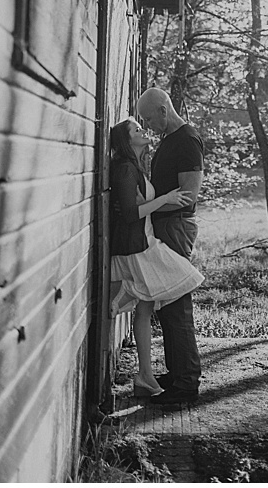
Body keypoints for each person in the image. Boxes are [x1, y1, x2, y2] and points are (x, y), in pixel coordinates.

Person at [106, 119, 202, 399]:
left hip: (145, 241)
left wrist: (154, 200)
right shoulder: (124, 168)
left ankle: (145, 376)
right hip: (140, 249)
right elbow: (129, 214)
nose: (143, 131)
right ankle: (124, 292)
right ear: (126, 141)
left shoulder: (135, 166)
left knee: (146, 310)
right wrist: (165, 199)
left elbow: (137, 206)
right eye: (136, 130)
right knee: (183, 281)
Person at [133, 87, 205, 405]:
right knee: (168, 304)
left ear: (164, 110)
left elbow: (189, 196)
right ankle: (176, 374)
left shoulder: (187, 140)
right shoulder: (169, 140)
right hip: (165, 225)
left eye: (148, 119)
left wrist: (148, 206)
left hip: (176, 227)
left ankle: (187, 384)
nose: (147, 125)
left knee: (177, 305)